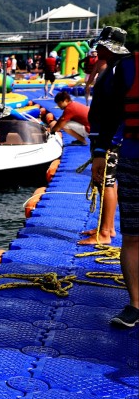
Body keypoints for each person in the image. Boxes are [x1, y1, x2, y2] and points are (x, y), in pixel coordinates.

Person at [86, 26, 138, 327]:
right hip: (130, 151)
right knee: (132, 234)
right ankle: (135, 305)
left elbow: (104, 115)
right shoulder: (120, 70)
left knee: (132, 235)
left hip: (126, 151)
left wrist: (100, 150)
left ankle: (104, 232)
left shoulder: (120, 71)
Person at [84, 27, 131, 247]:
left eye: (102, 45)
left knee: (106, 181)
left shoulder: (115, 71)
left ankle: (104, 232)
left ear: (110, 47)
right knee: (106, 182)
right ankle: (108, 227)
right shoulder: (113, 67)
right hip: (106, 134)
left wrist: (104, 146)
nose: (98, 48)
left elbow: (114, 111)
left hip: (109, 137)